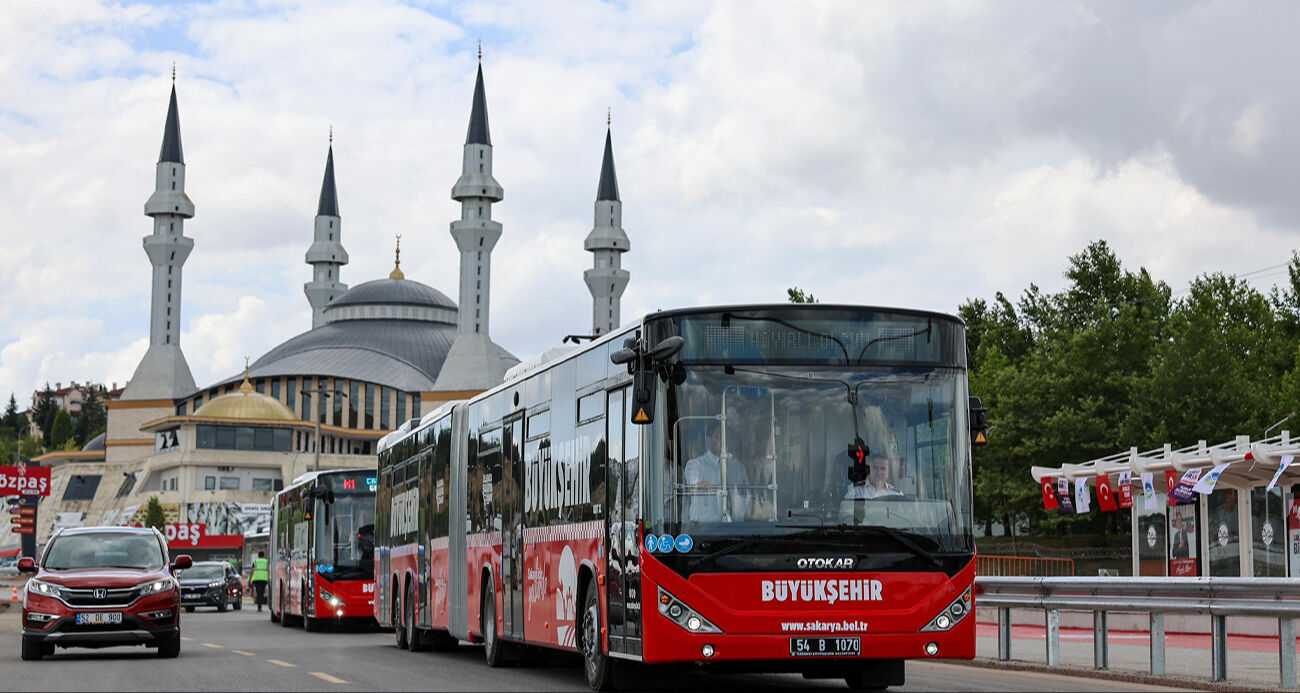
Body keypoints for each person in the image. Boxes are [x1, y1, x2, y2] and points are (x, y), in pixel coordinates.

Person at [683, 422, 749, 523]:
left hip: (736, 528)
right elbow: (694, 483)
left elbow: (746, 495)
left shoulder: (738, 467)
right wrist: (700, 484)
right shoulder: (696, 465)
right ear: (708, 440)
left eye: (726, 437)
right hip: (705, 529)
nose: (723, 441)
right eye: (718, 437)